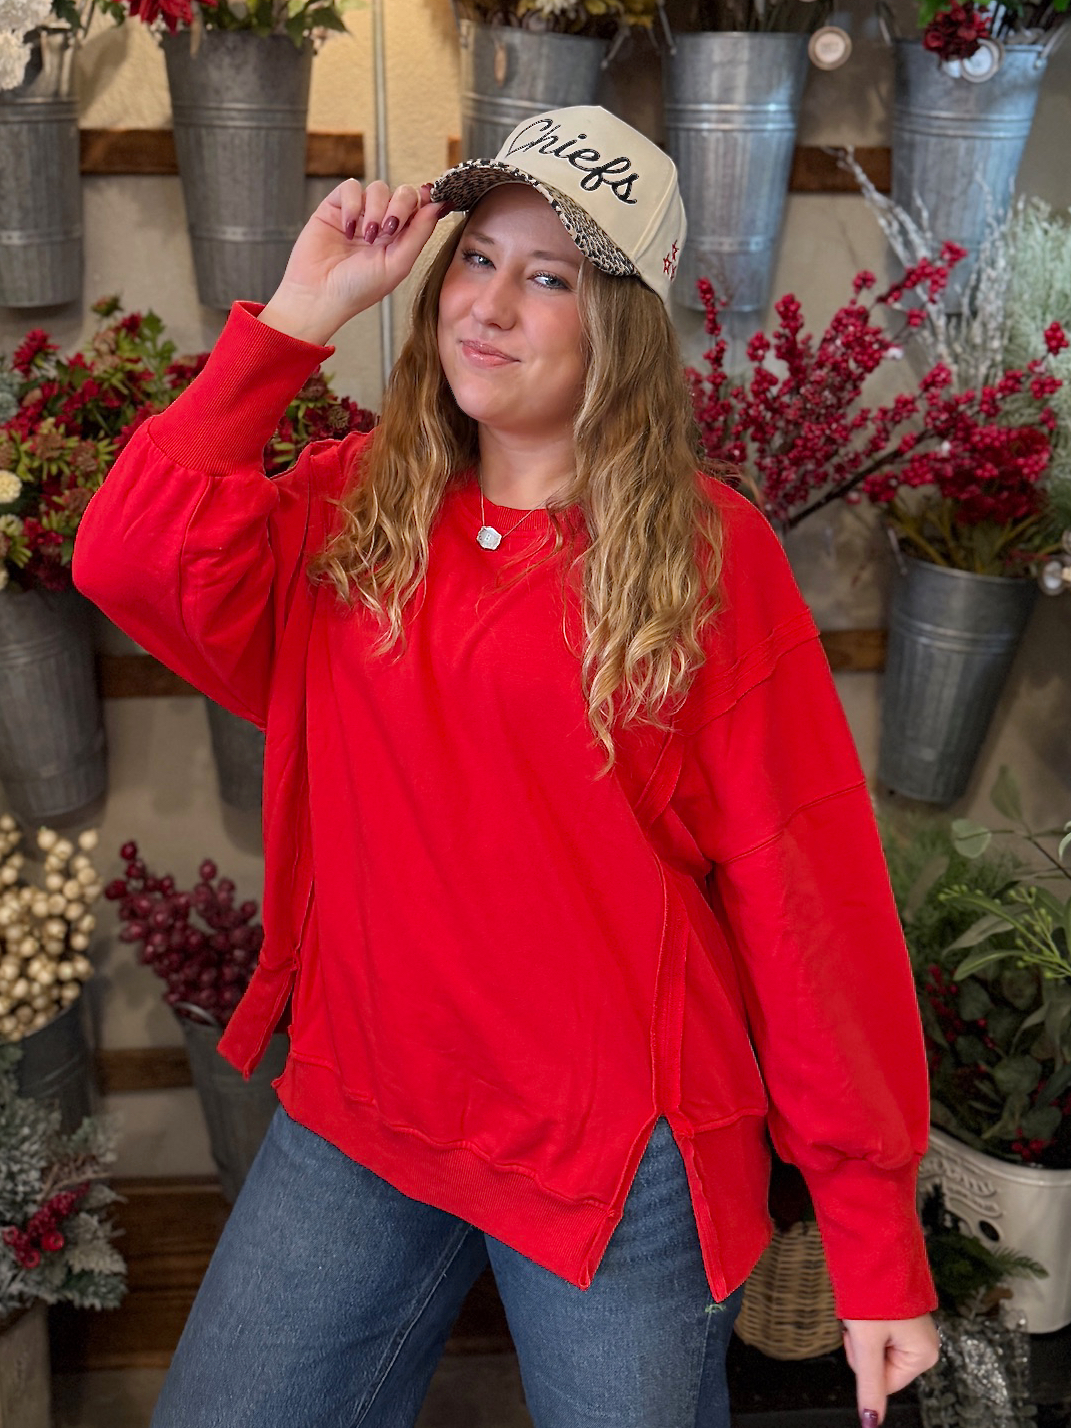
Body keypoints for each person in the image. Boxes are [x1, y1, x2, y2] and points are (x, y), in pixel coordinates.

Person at [73, 106, 940, 1428]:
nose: (488, 304)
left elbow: (804, 890)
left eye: (549, 277)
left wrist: (874, 1242)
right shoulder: (357, 504)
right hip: (367, 1100)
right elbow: (127, 558)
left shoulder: (707, 557)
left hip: (611, 1150)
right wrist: (301, 311)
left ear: (622, 329)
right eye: (476, 259)